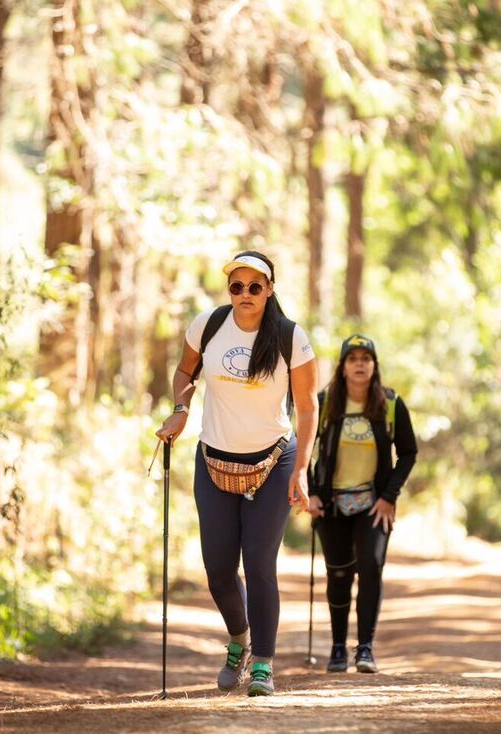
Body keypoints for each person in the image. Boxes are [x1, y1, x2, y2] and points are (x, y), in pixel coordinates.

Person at [155, 250, 318, 697]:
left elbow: (307, 407)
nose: (245, 294)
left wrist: (301, 469)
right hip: (214, 461)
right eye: (236, 286)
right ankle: (240, 641)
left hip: (272, 461)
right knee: (219, 571)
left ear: (269, 290)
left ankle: (263, 662)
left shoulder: (289, 337)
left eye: (255, 286)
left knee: (260, 564)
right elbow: (185, 371)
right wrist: (181, 410)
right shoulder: (207, 327)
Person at [307, 334, 417, 674]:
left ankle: (365, 648)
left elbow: (409, 452)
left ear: (374, 366)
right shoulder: (324, 403)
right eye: (352, 359)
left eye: (365, 359)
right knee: (339, 574)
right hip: (331, 504)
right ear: (342, 367)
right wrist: (310, 492)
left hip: (374, 503)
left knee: (371, 568)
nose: (359, 364)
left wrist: (389, 496)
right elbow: (302, 449)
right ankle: (338, 648)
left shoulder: (390, 403)